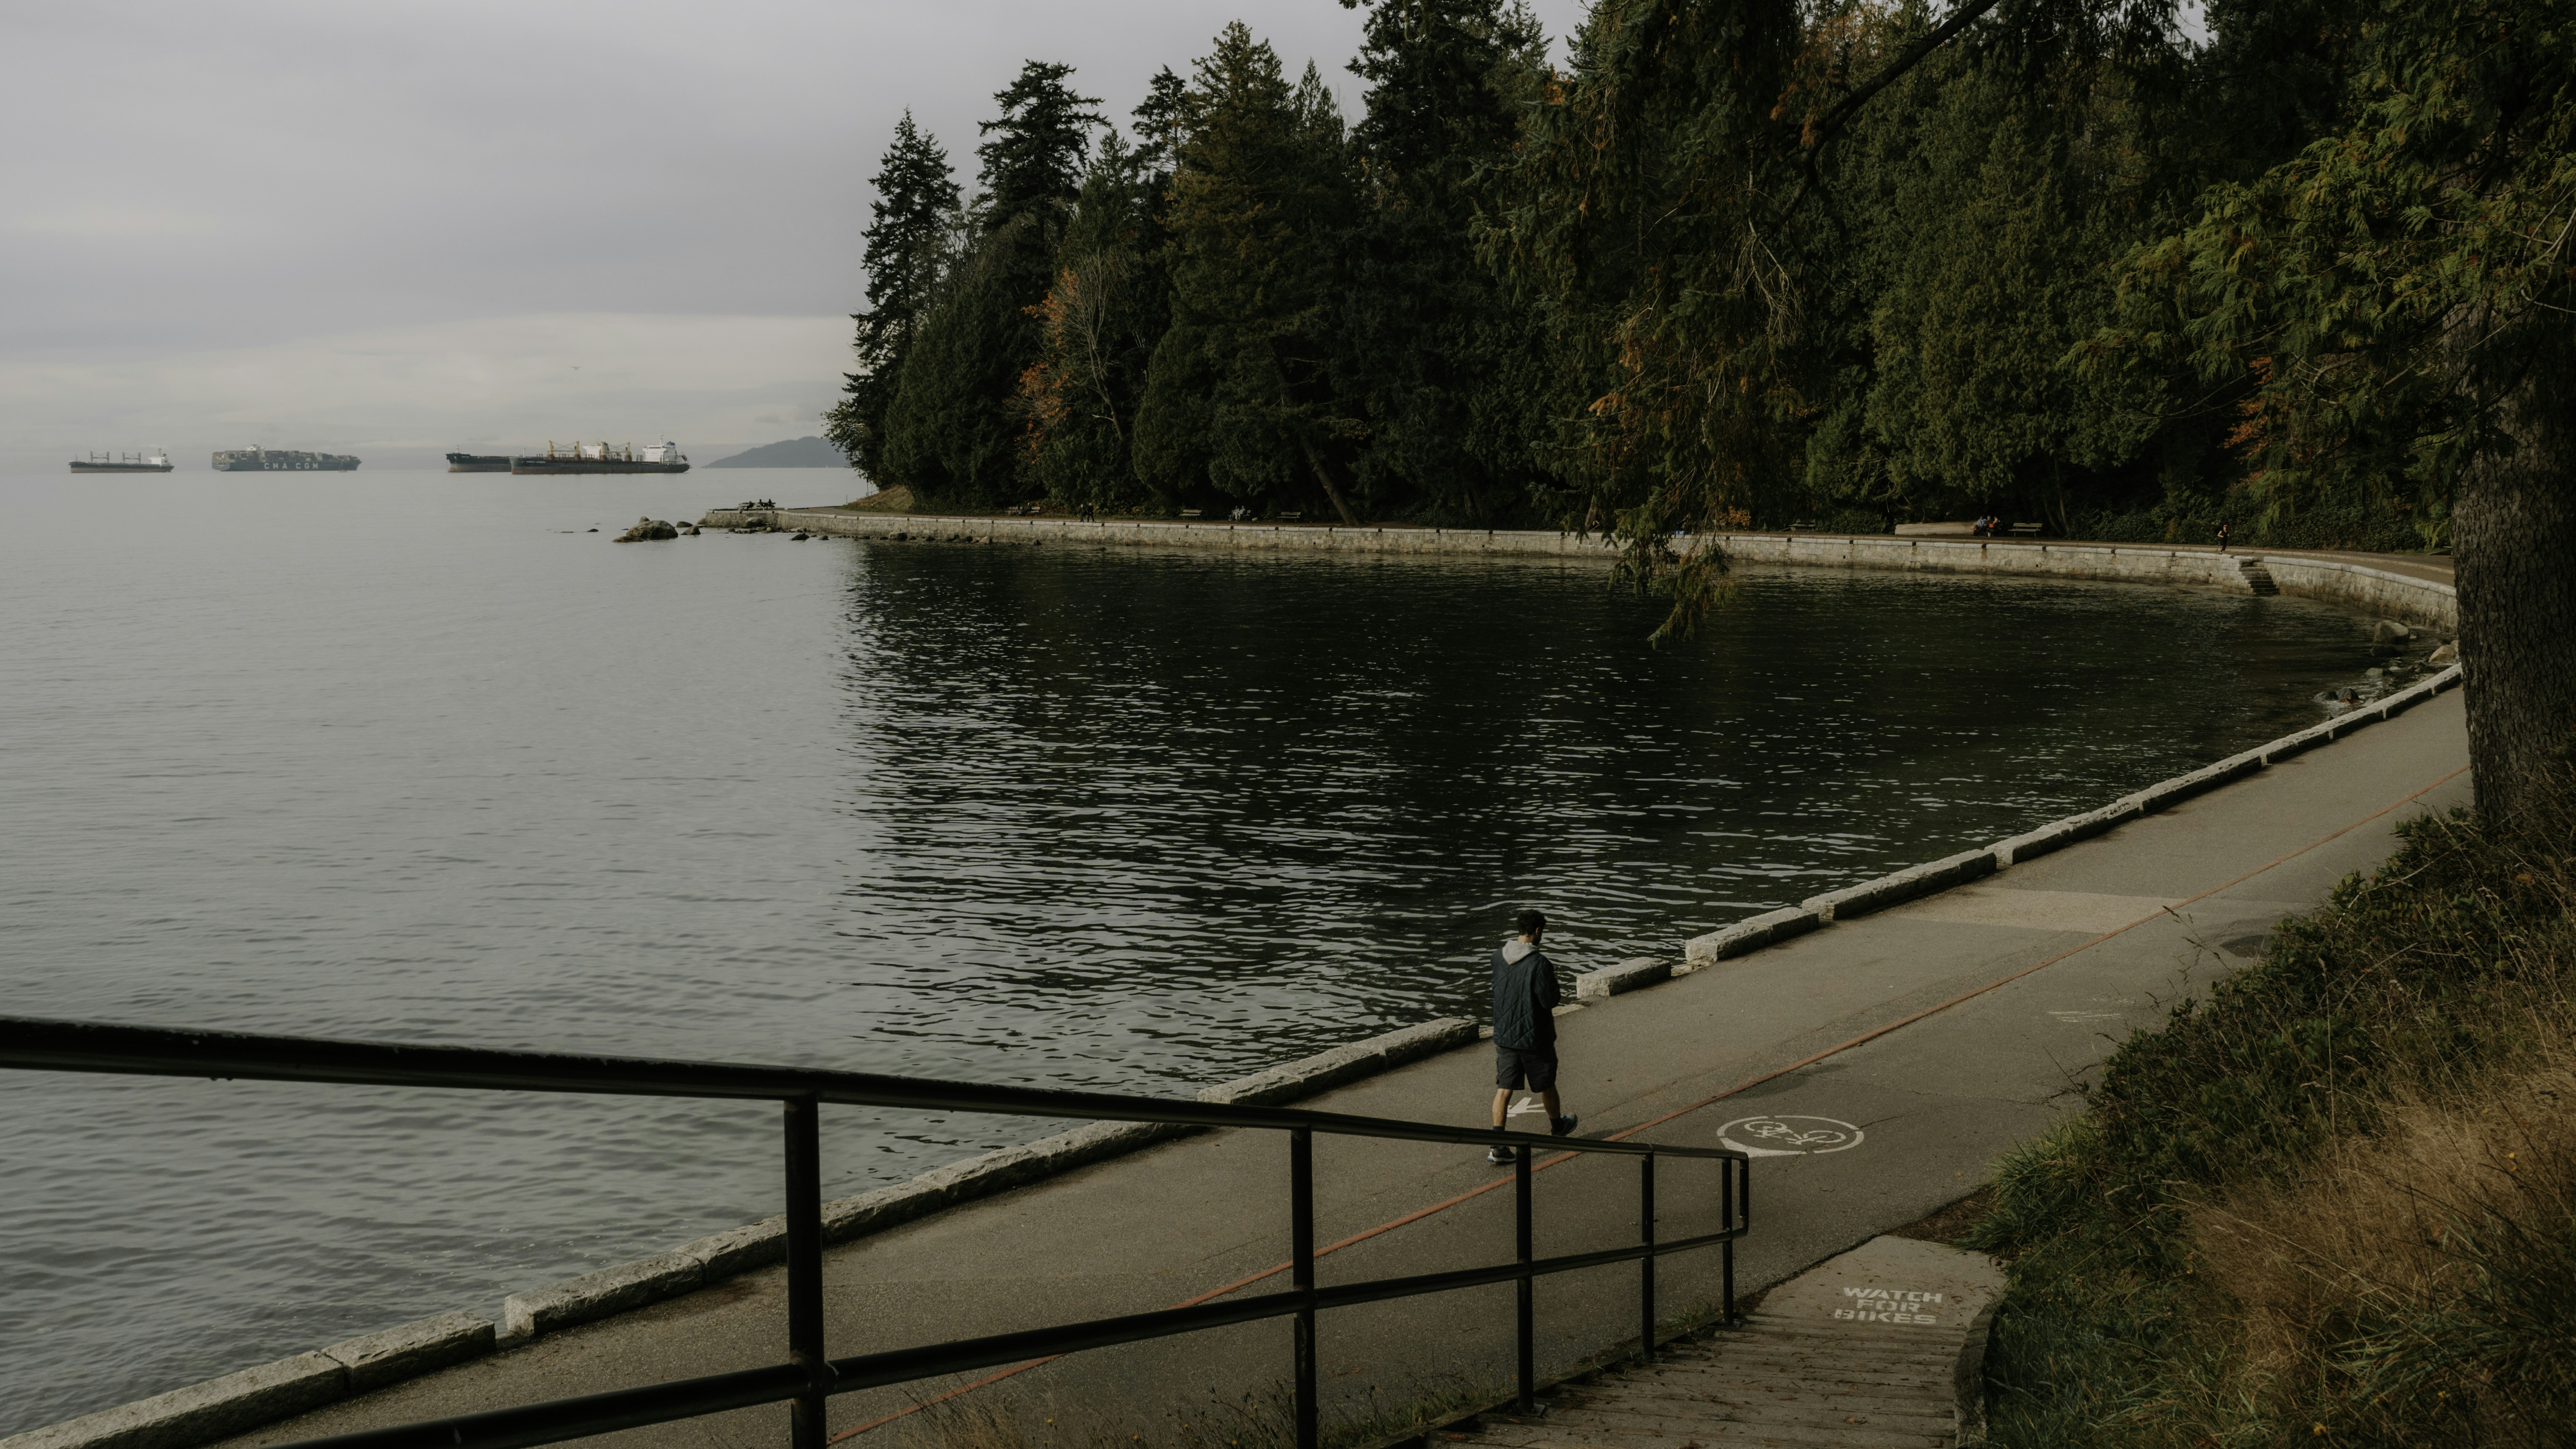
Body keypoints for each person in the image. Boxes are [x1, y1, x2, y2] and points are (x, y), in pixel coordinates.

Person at [1487, 909, 1577, 1163]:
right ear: (1538, 931)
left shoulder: (1497, 957)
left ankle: (1498, 1147)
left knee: (1504, 1089)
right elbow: (1549, 1001)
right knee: (1546, 1084)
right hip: (1534, 1037)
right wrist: (1553, 980)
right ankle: (1558, 1126)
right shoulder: (1540, 964)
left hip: (1505, 1035)